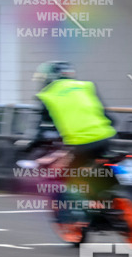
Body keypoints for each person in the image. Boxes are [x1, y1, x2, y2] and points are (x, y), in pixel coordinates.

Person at [25, 61, 117, 240]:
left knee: (60, 179)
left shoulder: (47, 95)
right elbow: (107, 116)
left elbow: (43, 130)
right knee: (96, 169)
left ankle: (74, 217)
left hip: (80, 143)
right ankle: (102, 201)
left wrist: (31, 145)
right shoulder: (86, 87)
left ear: (49, 78)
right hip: (105, 138)